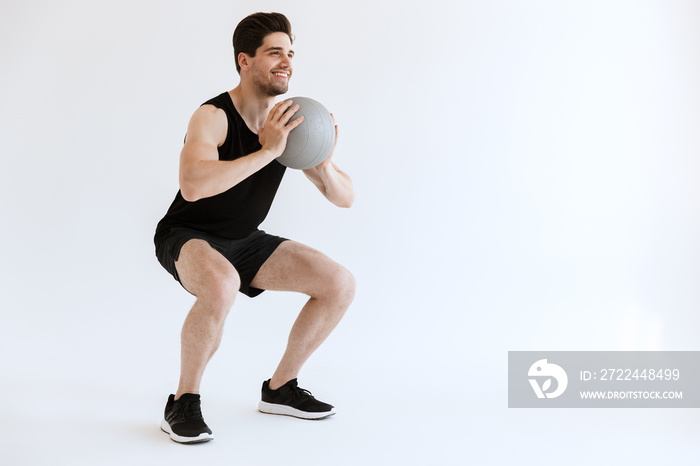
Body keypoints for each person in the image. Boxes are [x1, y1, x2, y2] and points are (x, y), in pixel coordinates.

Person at [153, 12, 356, 444]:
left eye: (290, 53)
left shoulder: (289, 121)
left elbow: (345, 197)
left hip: (244, 238)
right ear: (245, 61)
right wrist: (268, 151)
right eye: (274, 53)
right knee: (221, 283)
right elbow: (192, 187)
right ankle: (182, 402)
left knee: (338, 283)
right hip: (187, 233)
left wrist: (321, 162)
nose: (286, 62)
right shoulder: (213, 116)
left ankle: (281, 388)